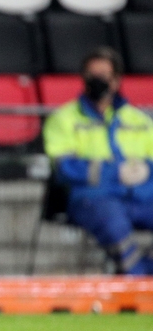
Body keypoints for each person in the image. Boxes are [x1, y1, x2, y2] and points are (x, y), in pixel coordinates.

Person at [43, 47, 153, 274]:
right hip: (91, 197)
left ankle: (140, 278)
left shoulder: (138, 119)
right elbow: (65, 168)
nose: (98, 81)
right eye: (92, 76)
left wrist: (146, 170)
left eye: (104, 76)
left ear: (116, 80)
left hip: (140, 196)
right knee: (113, 222)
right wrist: (114, 173)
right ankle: (140, 280)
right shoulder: (64, 119)